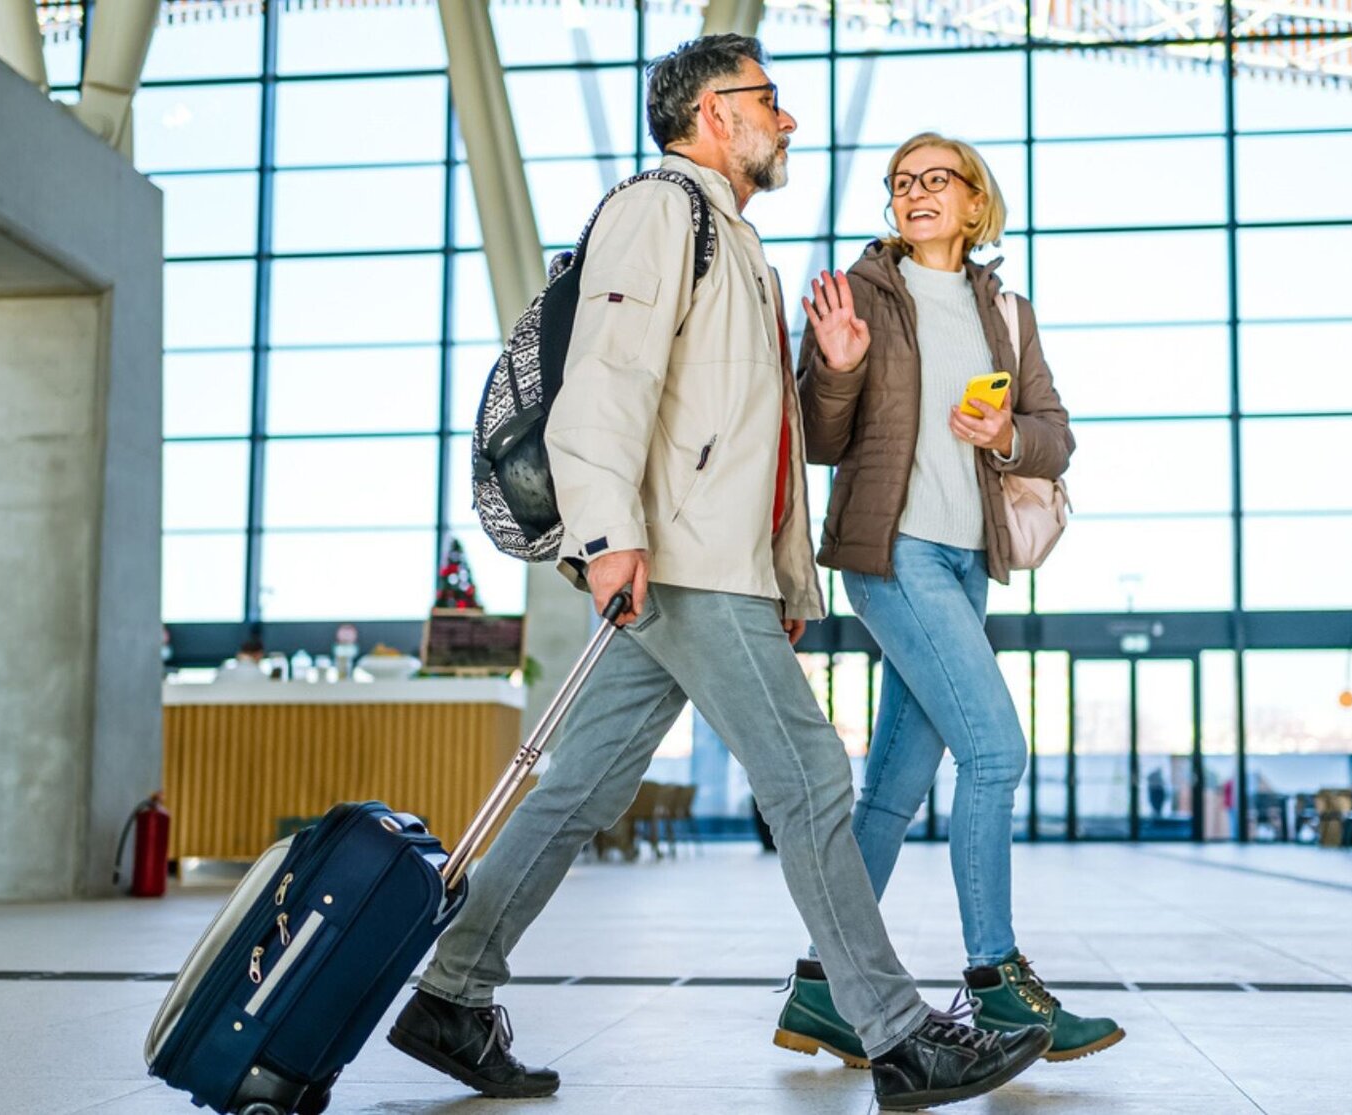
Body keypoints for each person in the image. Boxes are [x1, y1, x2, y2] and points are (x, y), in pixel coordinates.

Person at [385, 36, 1049, 1111]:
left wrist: (784, 577)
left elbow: (756, 439)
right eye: (767, 101)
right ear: (708, 114)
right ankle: (896, 1034)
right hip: (680, 559)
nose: (786, 120)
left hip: (705, 560)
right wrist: (606, 536)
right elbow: (607, 381)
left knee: (584, 786)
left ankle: (449, 992)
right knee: (813, 780)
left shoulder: (732, 240)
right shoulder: (660, 210)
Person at [778, 132, 1120, 1066]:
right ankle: (997, 984)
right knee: (998, 754)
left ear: (976, 202)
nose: (916, 192)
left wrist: (1009, 432)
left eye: (938, 179)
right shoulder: (860, 293)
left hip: (969, 563)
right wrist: (838, 363)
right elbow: (817, 433)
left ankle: (821, 992)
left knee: (891, 791)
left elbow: (1056, 436)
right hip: (891, 555)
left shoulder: (1006, 308)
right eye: (901, 182)